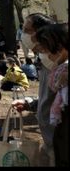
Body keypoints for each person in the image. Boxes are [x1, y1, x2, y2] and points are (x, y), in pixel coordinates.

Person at [11, 13, 57, 166]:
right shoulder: (44, 62)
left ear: (41, 32)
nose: (22, 34)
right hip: (50, 141)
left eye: (26, 30)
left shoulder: (59, 67)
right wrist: (30, 104)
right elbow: (50, 98)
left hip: (61, 143)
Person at [34, 23, 68, 167]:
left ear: (60, 47)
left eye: (46, 49)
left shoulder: (64, 71)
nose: (46, 54)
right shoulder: (61, 70)